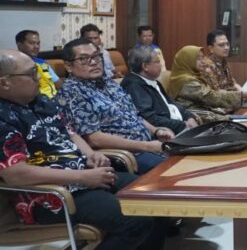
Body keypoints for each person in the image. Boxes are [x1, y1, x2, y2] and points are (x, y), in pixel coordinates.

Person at [0, 49, 164, 249]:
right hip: (49, 196)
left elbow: (70, 132)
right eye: (32, 73)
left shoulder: (41, 101)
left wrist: (91, 155)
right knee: (135, 221)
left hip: (83, 176)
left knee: (154, 196)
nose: (39, 77)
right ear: (5, 83)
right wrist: (83, 177)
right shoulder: (3, 117)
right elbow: (16, 175)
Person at [55, 38, 173, 174]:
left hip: (149, 144)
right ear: (69, 66)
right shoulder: (72, 93)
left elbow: (133, 115)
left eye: (96, 56)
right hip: (128, 154)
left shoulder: (109, 83)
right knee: (174, 169)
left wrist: (156, 131)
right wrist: (146, 146)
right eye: (84, 59)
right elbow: (94, 139)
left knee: (186, 158)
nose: (93, 62)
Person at [121, 46, 199, 134]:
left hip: (179, 125)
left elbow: (171, 103)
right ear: (145, 66)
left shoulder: (153, 81)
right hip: (169, 131)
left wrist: (189, 117)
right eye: (157, 61)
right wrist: (182, 125)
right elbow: (148, 117)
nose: (161, 65)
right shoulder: (134, 85)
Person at [167, 45, 247, 118]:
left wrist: (242, 95)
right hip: (196, 117)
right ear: (187, 60)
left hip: (206, 112)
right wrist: (242, 95)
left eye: (202, 58)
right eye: (198, 59)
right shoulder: (187, 81)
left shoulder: (194, 76)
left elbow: (229, 84)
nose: (203, 62)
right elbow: (211, 97)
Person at [14, 30, 60, 98]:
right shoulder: (15, 66)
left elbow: (56, 82)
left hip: (55, 99)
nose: (36, 46)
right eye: (32, 43)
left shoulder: (42, 63)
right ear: (20, 45)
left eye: (38, 43)